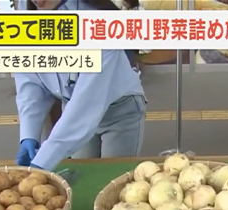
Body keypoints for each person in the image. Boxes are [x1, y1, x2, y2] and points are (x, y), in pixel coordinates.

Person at [15, 0, 147, 171]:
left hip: (119, 110)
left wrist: (42, 162)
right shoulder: (26, 15)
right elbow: (30, 79)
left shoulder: (99, 24)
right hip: (72, 109)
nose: (37, 0)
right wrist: (29, 134)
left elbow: (85, 105)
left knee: (112, 176)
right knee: (82, 174)